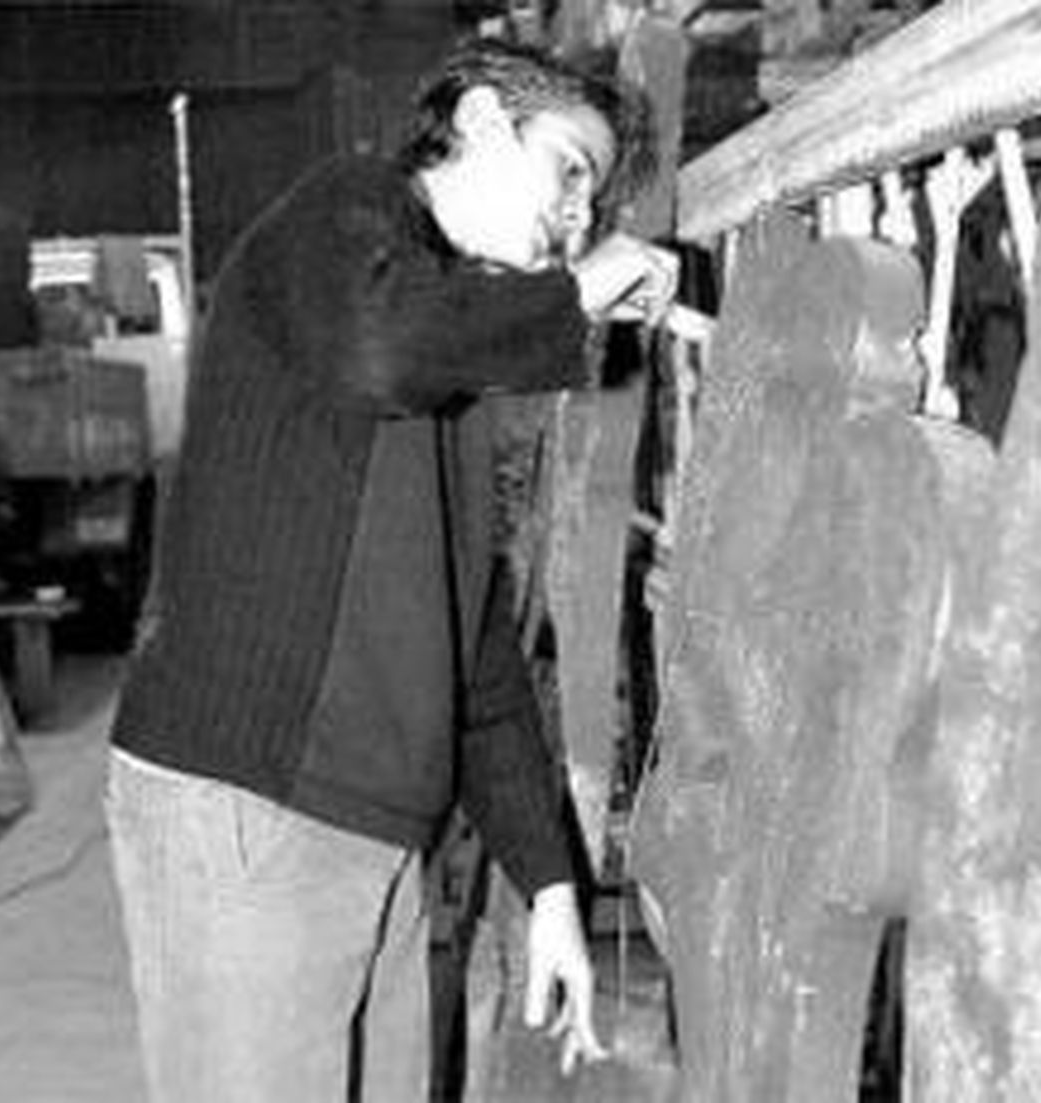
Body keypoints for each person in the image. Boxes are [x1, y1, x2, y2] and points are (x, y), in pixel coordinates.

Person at [103, 34, 678, 1102]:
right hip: (250, 805)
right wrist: (579, 295)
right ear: (479, 118)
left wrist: (550, 883)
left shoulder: (447, 360)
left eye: (592, 202)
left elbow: (474, 653)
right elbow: (382, 346)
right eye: (568, 170)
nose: (576, 219)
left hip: (370, 832)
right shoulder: (343, 214)